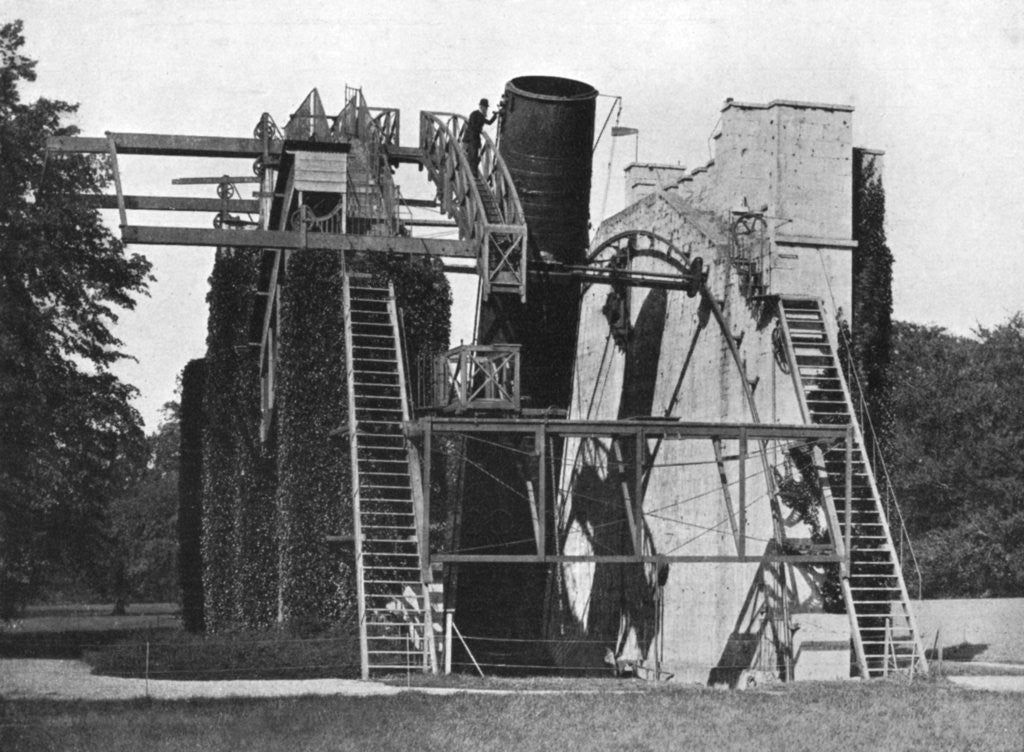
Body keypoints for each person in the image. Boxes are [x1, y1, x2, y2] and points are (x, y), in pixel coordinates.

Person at [462, 98, 496, 176]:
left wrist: (495, 115)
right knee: (472, 155)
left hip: (475, 139)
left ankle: (473, 172)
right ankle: (470, 172)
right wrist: (479, 129)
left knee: (474, 156)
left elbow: (489, 122)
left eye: (486, 108)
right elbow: (472, 126)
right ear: (481, 106)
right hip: (470, 138)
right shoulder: (474, 114)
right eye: (485, 107)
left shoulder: (481, 116)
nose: (486, 109)